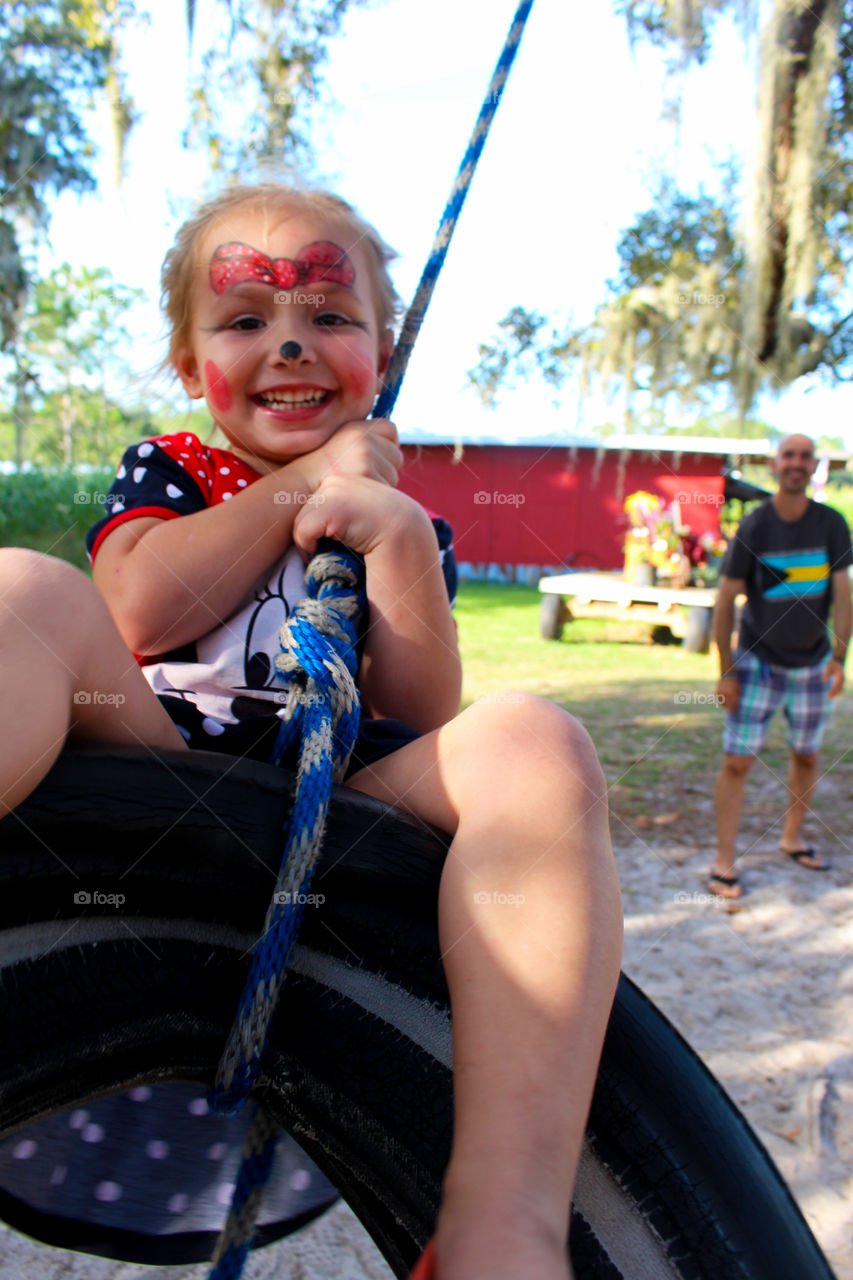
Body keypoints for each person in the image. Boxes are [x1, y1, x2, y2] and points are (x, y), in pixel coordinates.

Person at [0, 184, 622, 1280]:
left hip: (340, 805)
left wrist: (398, 548)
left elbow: (420, 713)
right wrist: (297, 488)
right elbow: (137, 610)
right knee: (26, 595)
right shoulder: (173, 473)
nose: (289, 339)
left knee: (533, 741)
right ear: (194, 369)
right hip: (155, 760)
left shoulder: (406, 516)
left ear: (380, 352)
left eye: (330, 315)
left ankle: (501, 1221)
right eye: (243, 321)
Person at [710, 433, 853, 900]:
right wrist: (726, 670)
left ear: (814, 466)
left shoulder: (831, 524)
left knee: (807, 755)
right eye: (788, 455)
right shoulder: (754, 527)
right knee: (737, 761)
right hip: (758, 663)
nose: (796, 463)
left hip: (813, 664)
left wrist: (838, 657)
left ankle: (793, 838)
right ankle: (723, 863)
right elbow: (726, 599)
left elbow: (844, 592)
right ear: (776, 465)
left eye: (805, 456)